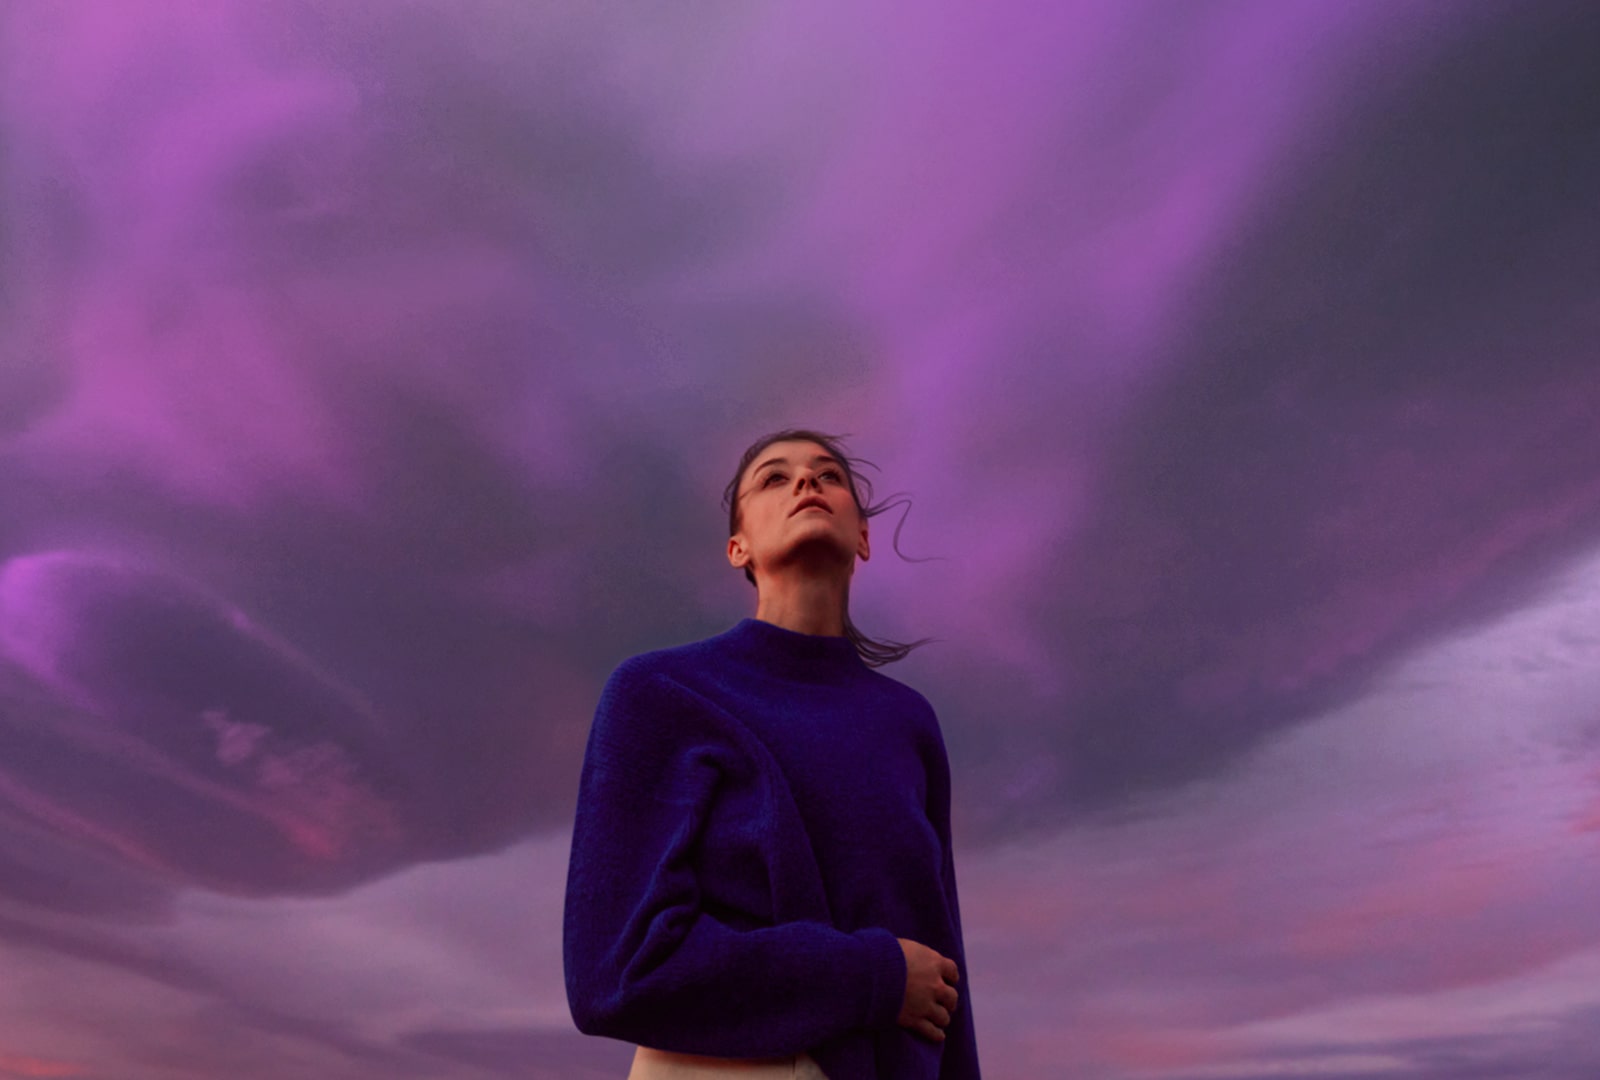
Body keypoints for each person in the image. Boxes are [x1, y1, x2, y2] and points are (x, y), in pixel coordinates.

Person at [564, 428, 981, 1079]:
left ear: (865, 537)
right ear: (740, 548)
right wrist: (873, 976)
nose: (807, 483)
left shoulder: (908, 722)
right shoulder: (660, 694)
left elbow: (942, 971)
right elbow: (618, 967)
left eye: (828, 475)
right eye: (774, 478)